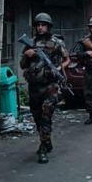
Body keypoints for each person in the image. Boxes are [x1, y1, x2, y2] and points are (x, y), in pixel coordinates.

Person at [20, 13, 70, 164]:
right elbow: (22, 65)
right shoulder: (30, 43)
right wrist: (28, 55)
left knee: (46, 116)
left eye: (43, 25)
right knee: (37, 118)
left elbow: (67, 59)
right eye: (38, 25)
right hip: (34, 87)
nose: (40, 27)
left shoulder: (56, 42)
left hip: (50, 86)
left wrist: (58, 68)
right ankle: (46, 141)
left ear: (48, 26)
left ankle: (43, 148)